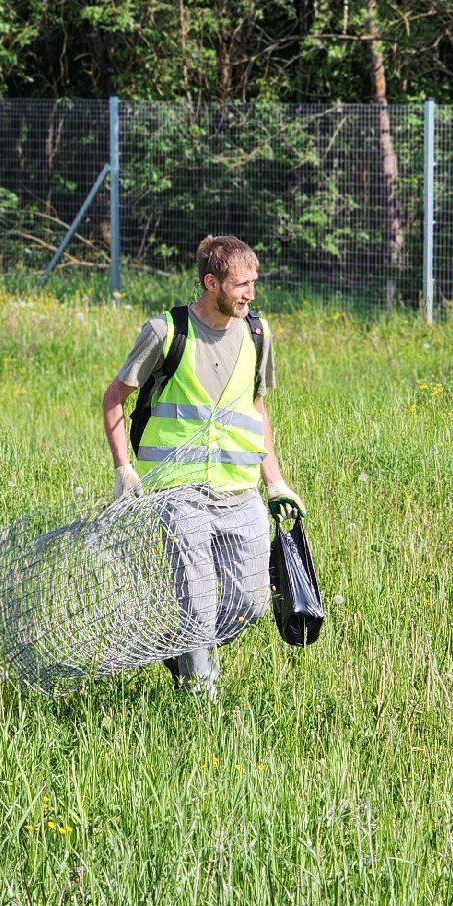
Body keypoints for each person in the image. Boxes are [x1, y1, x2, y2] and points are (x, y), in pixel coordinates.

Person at [100, 235, 305, 699]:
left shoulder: (258, 333)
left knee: (250, 604)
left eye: (254, 282)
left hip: (239, 491)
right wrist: (123, 469)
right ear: (210, 282)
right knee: (197, 604)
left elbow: (256, 409)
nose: (250, 293)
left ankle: (180, 651)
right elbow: (114, 398)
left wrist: (275, 482)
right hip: (177, 492)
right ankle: (202, 710)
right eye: (241, 284)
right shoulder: (165, 332)